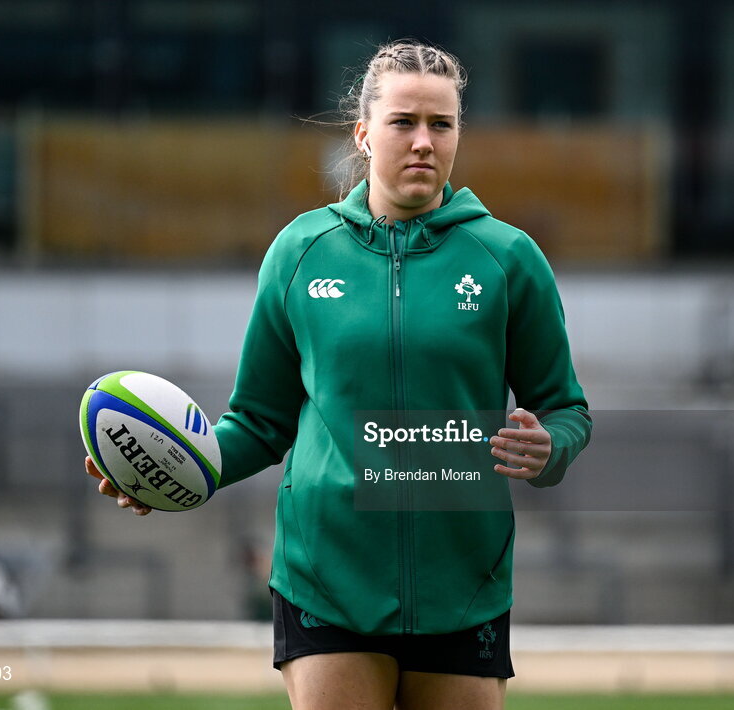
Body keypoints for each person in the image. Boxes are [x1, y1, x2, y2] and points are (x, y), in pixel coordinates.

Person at [85, 40, 591, 710]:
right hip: (325, 577)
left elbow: (566, 409)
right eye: (403, 122)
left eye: (441, 125)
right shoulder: (300, 251)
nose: (422, 141)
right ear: (363, 133)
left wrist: (549, 448)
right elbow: (261, 421)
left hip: (465, 582)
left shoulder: (508, 258)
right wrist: (184, 468)